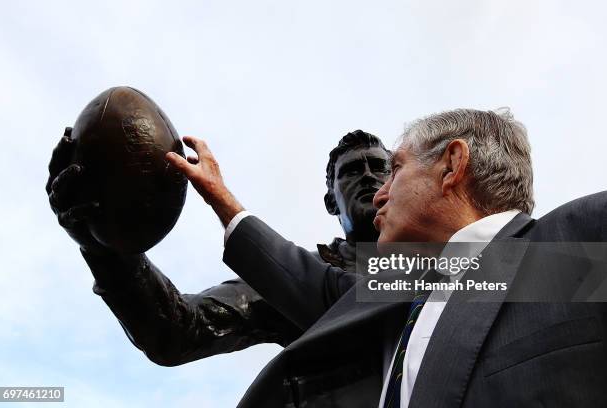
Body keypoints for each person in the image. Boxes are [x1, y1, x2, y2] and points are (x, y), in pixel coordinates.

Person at [165, 108, 607, 407]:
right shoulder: (401, 291)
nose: (379, 192)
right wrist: (222, 200)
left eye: (394, 168)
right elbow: (305, 280)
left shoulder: (574, 251)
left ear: (452, 166)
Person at [46, 128, 390, 365]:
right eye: (351, 171)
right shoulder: (294, 278)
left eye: (380, 168)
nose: (367, 176)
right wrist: (101, 243)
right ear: (331, 202)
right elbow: (177, 330)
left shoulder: (440, 268)